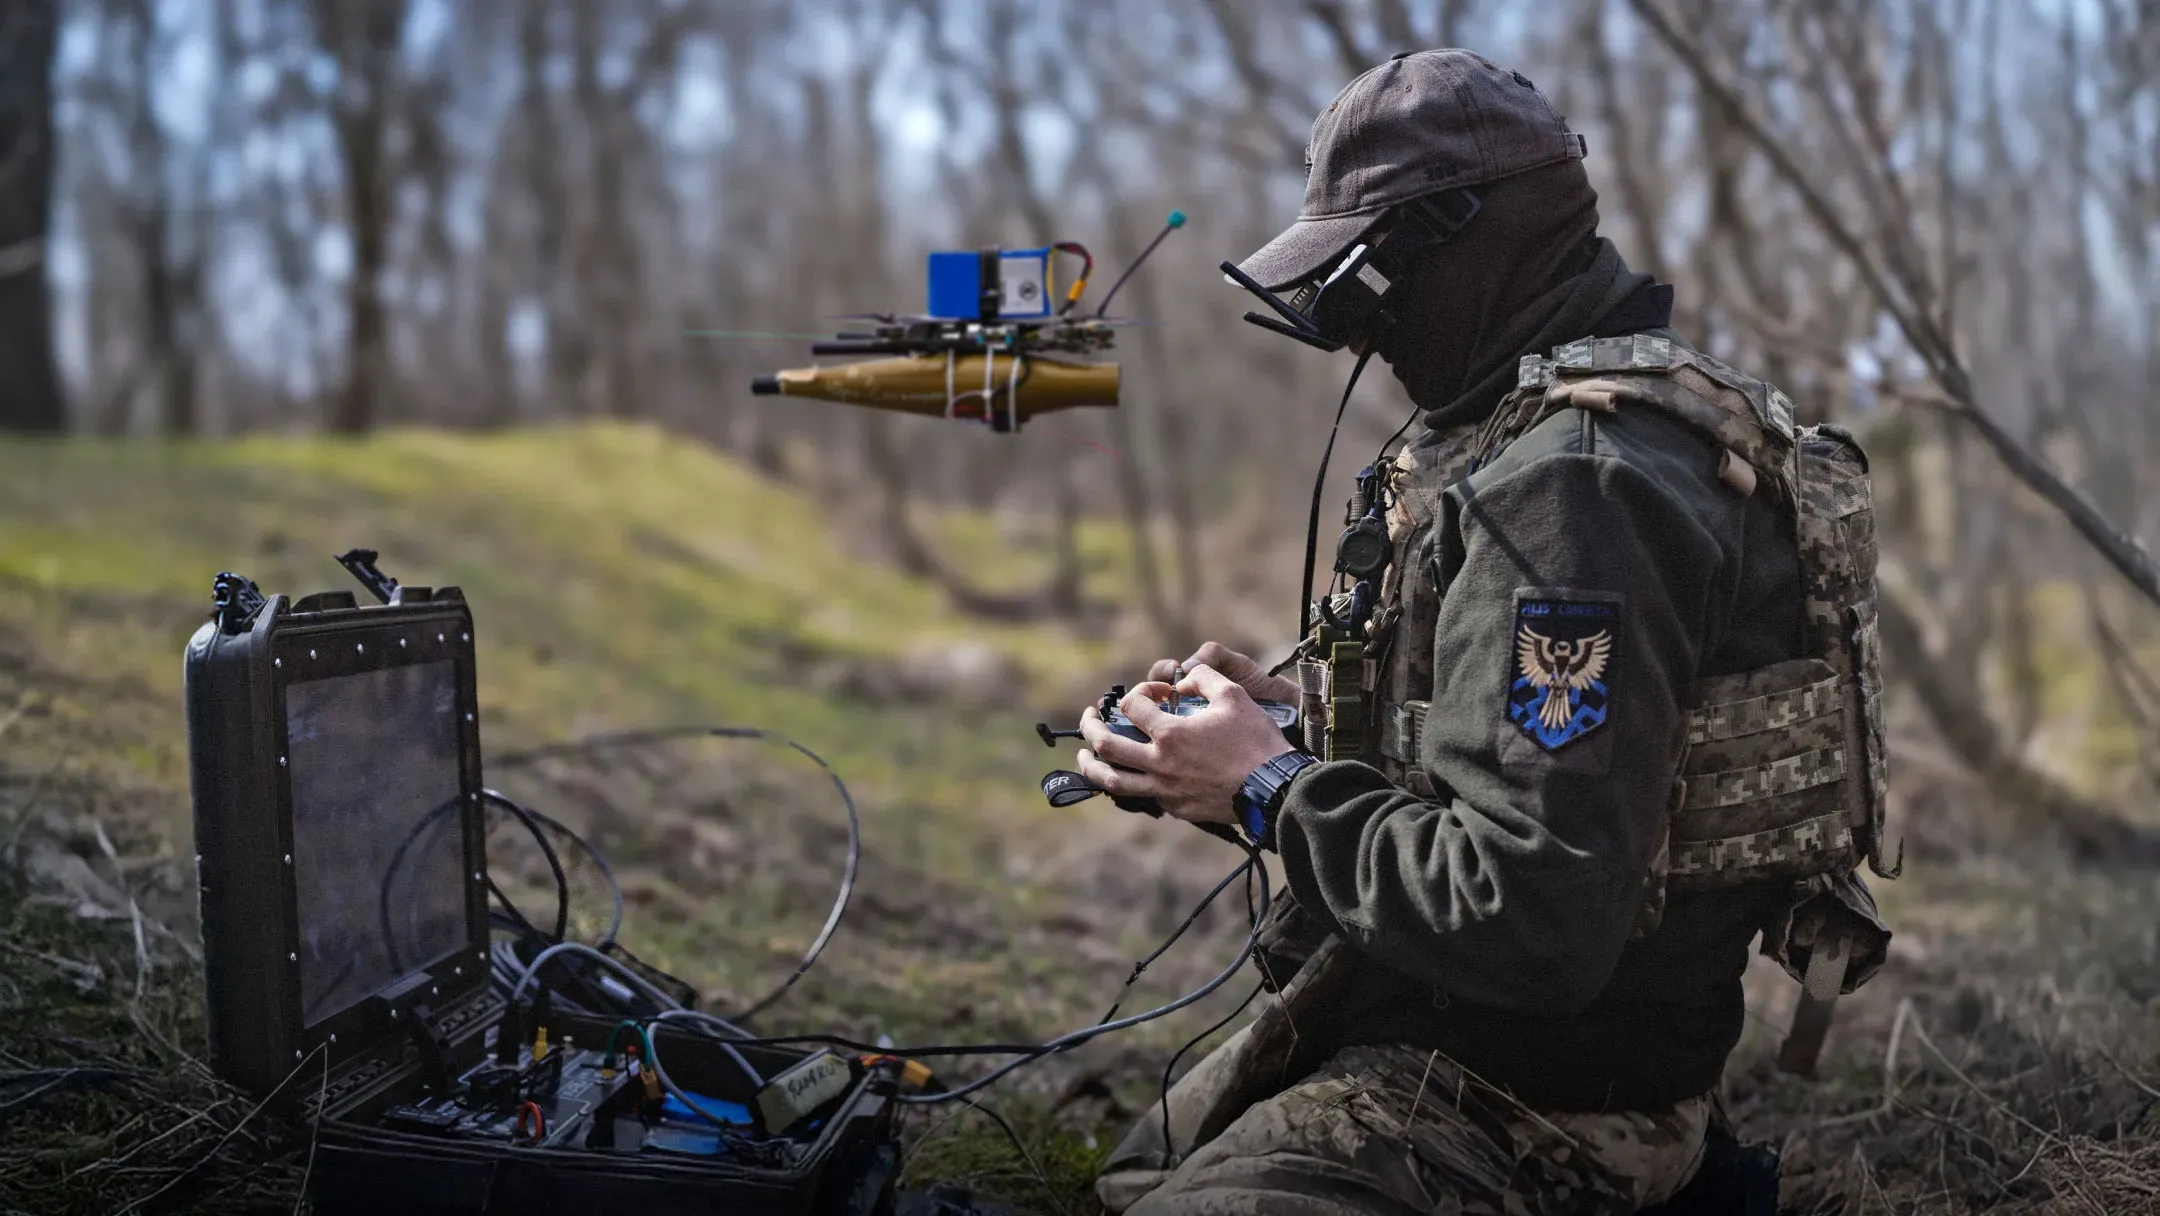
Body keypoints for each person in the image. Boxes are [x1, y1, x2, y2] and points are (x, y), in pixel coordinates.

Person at [1076, 50, 1897, 1215]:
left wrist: (1270, 790)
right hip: (1468, 1050)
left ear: (1466, 243)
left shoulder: (1579, 486)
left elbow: (1531, 913)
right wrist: (1289, 723)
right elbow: (1552, 755)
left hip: (1530, 1109)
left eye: (1372, 282)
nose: (1368, 333)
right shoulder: (1544, 433)